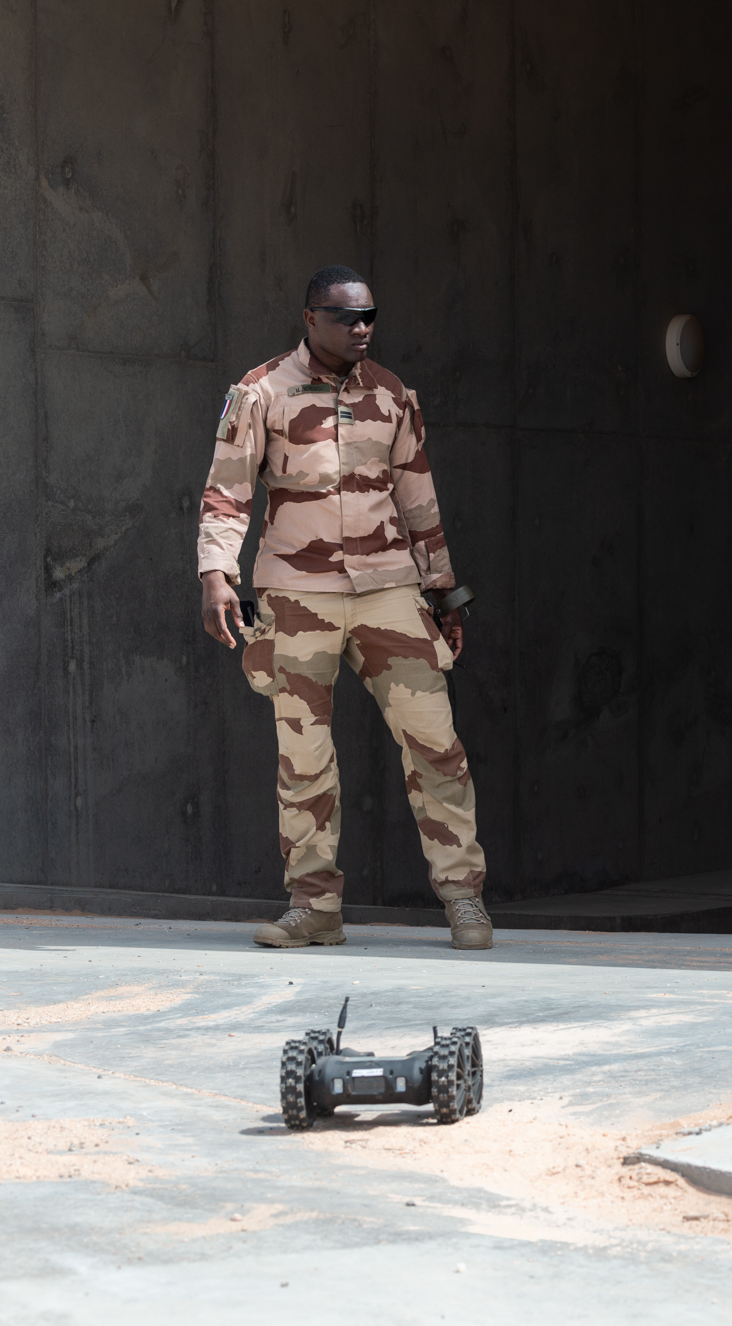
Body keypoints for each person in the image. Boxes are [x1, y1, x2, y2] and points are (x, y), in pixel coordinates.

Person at [196, 265, 493, 951]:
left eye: (369, 317)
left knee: (435, 741)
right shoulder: (260, 391)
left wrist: (445, 590)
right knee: (304, 755)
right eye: (346, 317)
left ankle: (464, 898)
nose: (362, 328)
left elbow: (419, 499)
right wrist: (216, 573)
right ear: (310, 318)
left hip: (389, 586)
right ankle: (314, 906)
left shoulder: (392, 395)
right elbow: (228, 490)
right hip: (297, 593)